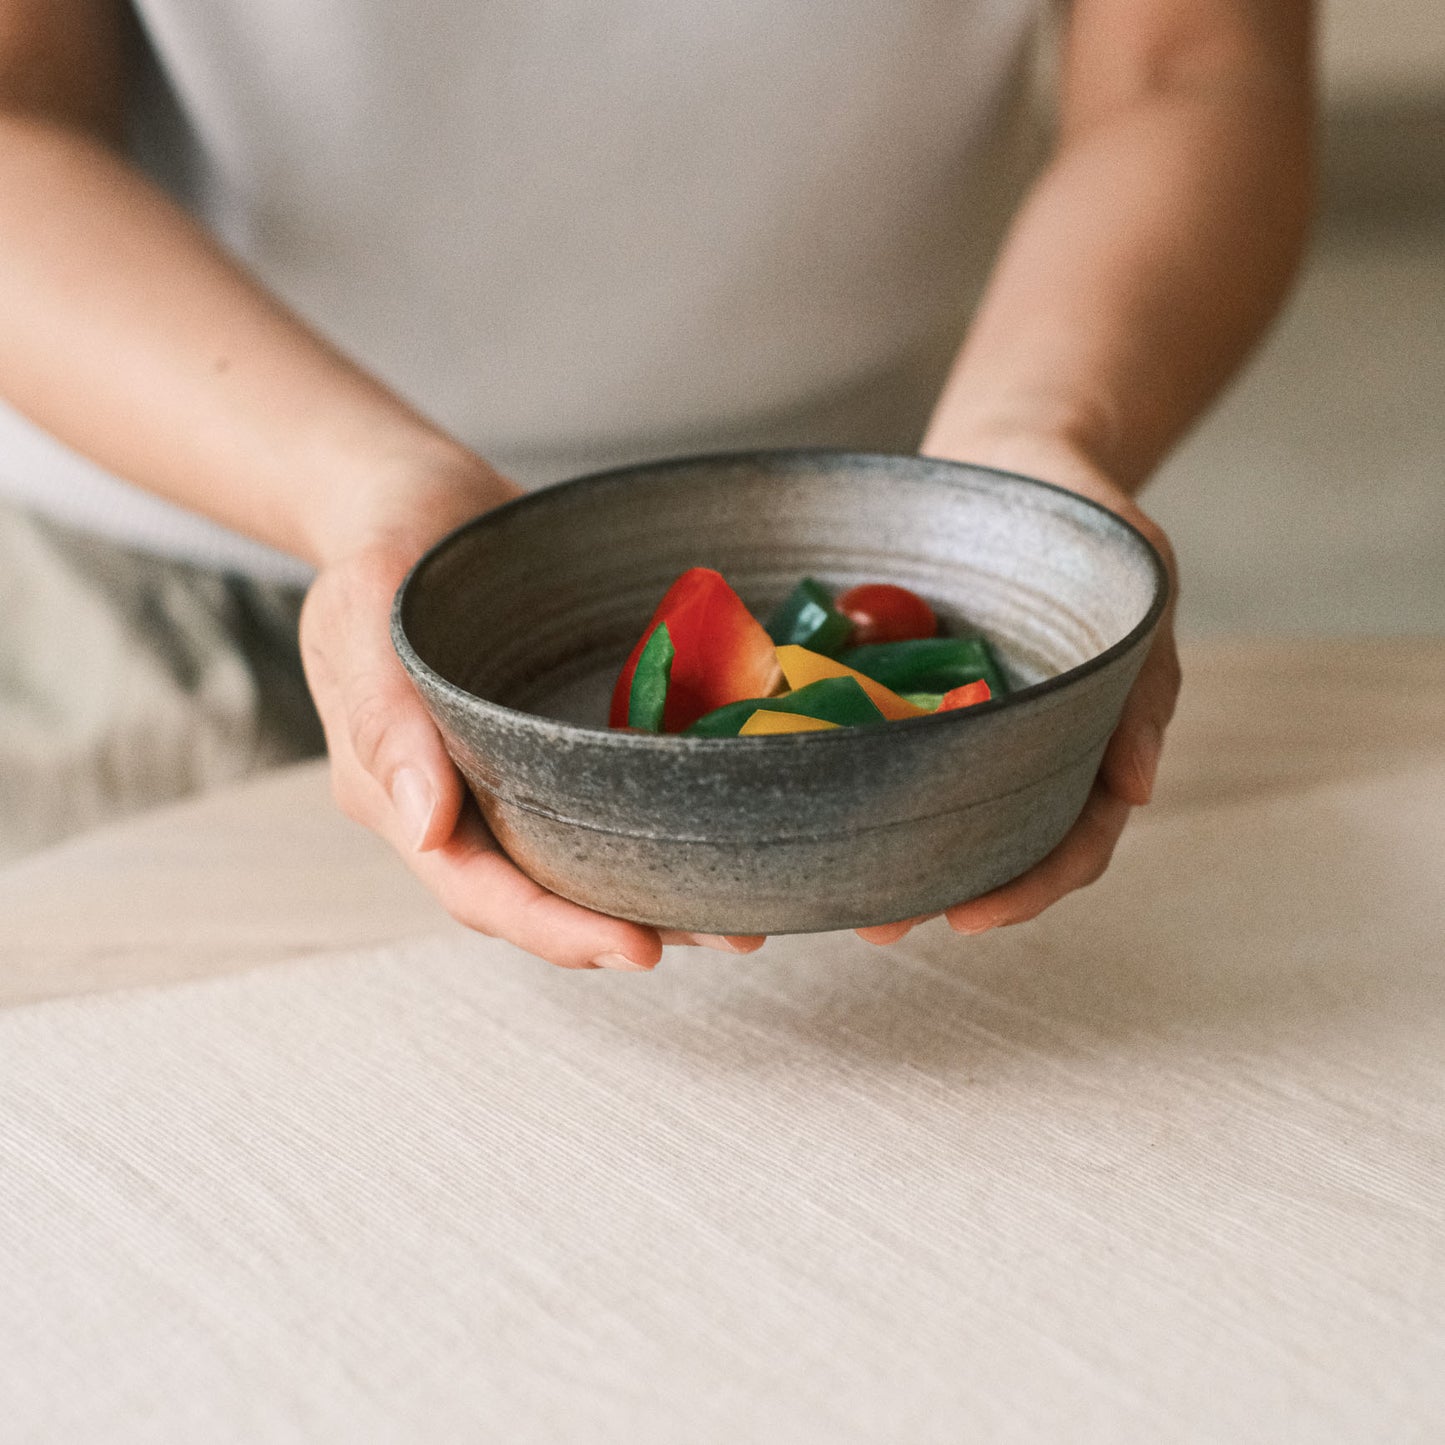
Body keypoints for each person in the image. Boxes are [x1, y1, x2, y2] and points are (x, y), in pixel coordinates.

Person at [0, 0, 1312, 968]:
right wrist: (360, 483)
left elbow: (1192, 64)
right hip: (164, 578)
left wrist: (1028, 443)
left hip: (887, 487)